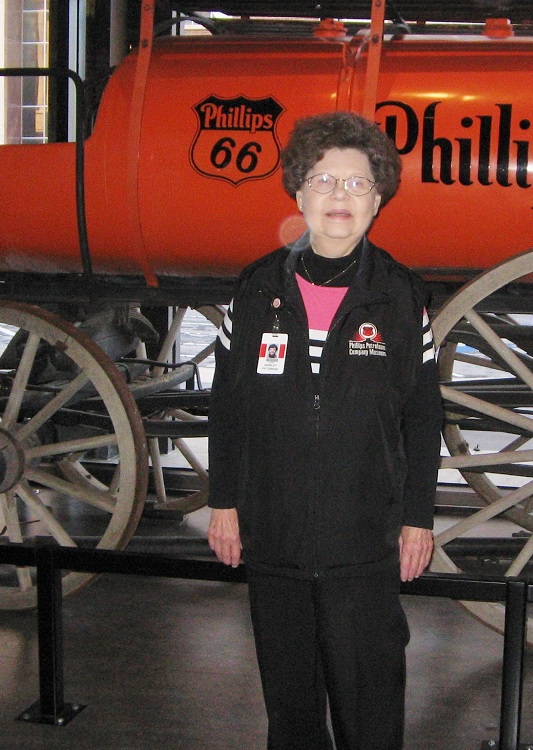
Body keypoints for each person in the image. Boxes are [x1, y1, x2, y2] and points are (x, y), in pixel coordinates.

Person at [207, 111, 443, 750]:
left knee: (371, 713)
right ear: (298, 192)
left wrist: (417, 518)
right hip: (275, 539)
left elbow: (423, 415)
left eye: (357, 183)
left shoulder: (399, 295)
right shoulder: (256, 289)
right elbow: (228, 406)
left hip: (363, 543)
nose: (340, 196)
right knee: (291, 715)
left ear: (378, 199)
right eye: (323, 181)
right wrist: (223, 503)